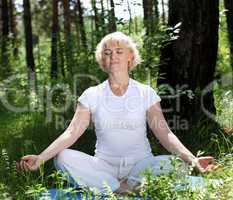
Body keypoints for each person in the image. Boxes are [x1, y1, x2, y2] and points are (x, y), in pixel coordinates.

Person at [18, 32, 214, 194]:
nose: (113, 56)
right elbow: (71, 133)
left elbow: (165, 133)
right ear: (102, 59)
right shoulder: (92, 94)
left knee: (180, 165)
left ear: (130, 56)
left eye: (119, 51)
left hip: (141, 165)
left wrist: (193, 160)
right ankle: (122, 188)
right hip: (104, 166)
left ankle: (116, 187)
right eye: (108, 52)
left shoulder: (146, 93)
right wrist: (41, 158)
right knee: (62, 158)